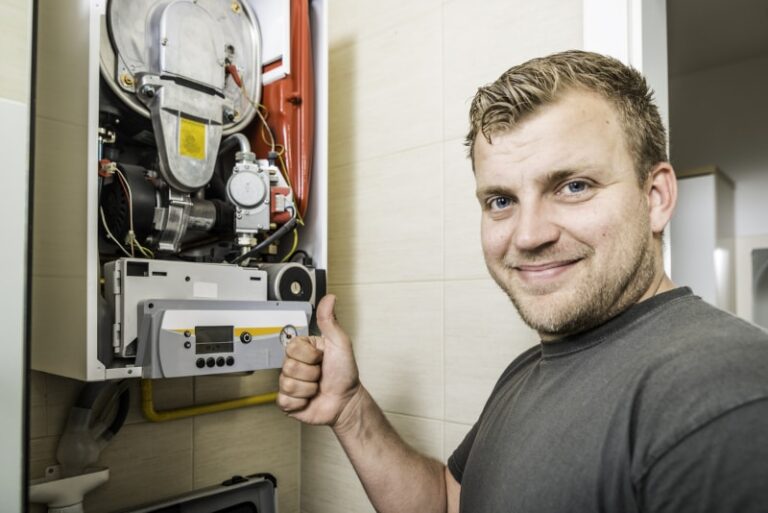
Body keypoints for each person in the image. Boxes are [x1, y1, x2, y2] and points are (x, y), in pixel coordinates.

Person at [277, 50, 768, 512]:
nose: (528, 235)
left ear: (656, 197)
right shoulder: (530, 367)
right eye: (501, 201)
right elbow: (448, 502)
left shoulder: (722, 391)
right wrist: (349, 409)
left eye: (574, 186)